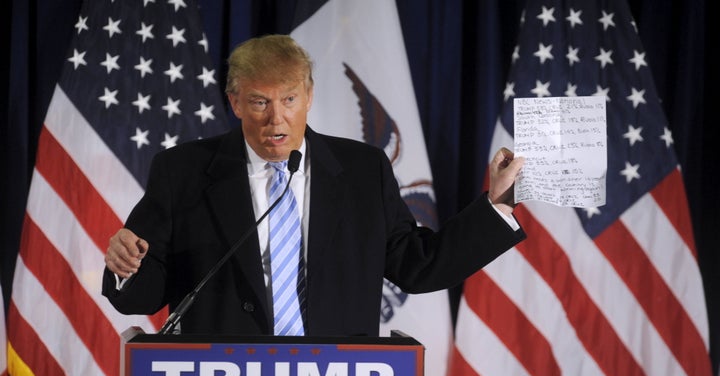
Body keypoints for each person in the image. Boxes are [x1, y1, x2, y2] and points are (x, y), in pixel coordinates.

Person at [102, 34, 526, 336]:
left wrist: (497, 204)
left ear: (308, 96)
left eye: (288, 99)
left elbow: (418, 266)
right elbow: (142, 294)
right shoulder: (183, 172)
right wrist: (126, 267)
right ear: (234, 103)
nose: (276, 119)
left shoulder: (363, 170)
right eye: (259, 102)